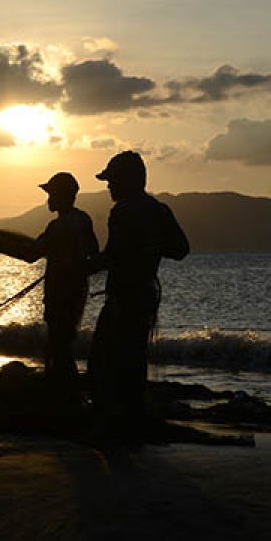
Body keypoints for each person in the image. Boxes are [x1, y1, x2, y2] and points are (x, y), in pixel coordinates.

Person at [88, 151, 188, 439]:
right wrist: (151, 247)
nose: (108, 186)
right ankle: (131, 419)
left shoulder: (123, 211)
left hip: (124, 297)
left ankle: (111, 424)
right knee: (133, 359)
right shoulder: (159, 210)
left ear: (129, 180)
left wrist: (84, 266)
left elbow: (112, 254)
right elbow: (180, 249)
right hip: (145, 295)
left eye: (112, 180)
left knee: (102, 360)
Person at [0, 172, 99, 397]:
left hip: (60, 293)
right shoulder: (83, 219)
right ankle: (64, 392)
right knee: (62, 341)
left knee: (58, 344)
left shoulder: (57, 226)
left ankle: (64, 395)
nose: (48, 200)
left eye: (51, 194)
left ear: (61, 196)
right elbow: (93, 250)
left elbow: (31, 254)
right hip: (77, 291)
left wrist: (0, 244)